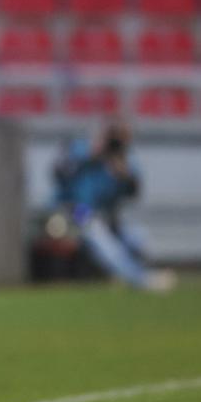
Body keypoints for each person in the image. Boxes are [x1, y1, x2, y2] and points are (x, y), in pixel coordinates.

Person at [51, 119, 175, 292]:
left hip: (107, 216)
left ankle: (129, 274)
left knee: (139, 238)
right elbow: (58, 172)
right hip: (75, 210)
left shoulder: (126, 161)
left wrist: (123, 173)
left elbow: (134, 191)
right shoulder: (83, 149)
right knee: (101, 238)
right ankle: (142, 280)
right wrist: (93, 153)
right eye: (114, 136)